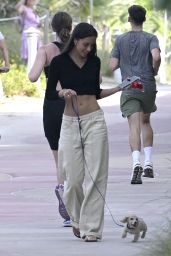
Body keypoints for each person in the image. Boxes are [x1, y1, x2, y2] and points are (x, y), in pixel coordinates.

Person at [46, 22, 128, 242]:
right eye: (85, 45)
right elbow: (49, 94)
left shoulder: (94, 62)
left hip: (95, 122)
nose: (89, 50)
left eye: (92, 46)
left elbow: (95, 93)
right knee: (71, 180)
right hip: (70, 123)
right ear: (75, 40)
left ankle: (91, 229)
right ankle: (77, 219)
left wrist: (120, 87)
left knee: (96, 176)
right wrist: (61, 92)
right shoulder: (59, 62)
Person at [28, 12, 72, 227]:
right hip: (75, 104)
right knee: (77, 154)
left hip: (53, 105)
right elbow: (97, 78)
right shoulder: (78, 48)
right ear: (71, 27)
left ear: (53, 28)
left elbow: (32, 76)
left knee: (59, 157)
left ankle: (64, 200)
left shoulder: (46, 49)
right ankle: (77, 203)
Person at [109, 5, 161, 185]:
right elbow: (156, 56)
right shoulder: (151, 38)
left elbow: (112, 65)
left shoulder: (120, 39)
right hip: (147, 85)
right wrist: (154, 70)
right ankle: (148, 163)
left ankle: (136, 163)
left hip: (130, 85)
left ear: (129, 19)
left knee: (133, 125)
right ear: (144, 19)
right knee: (146, 122)